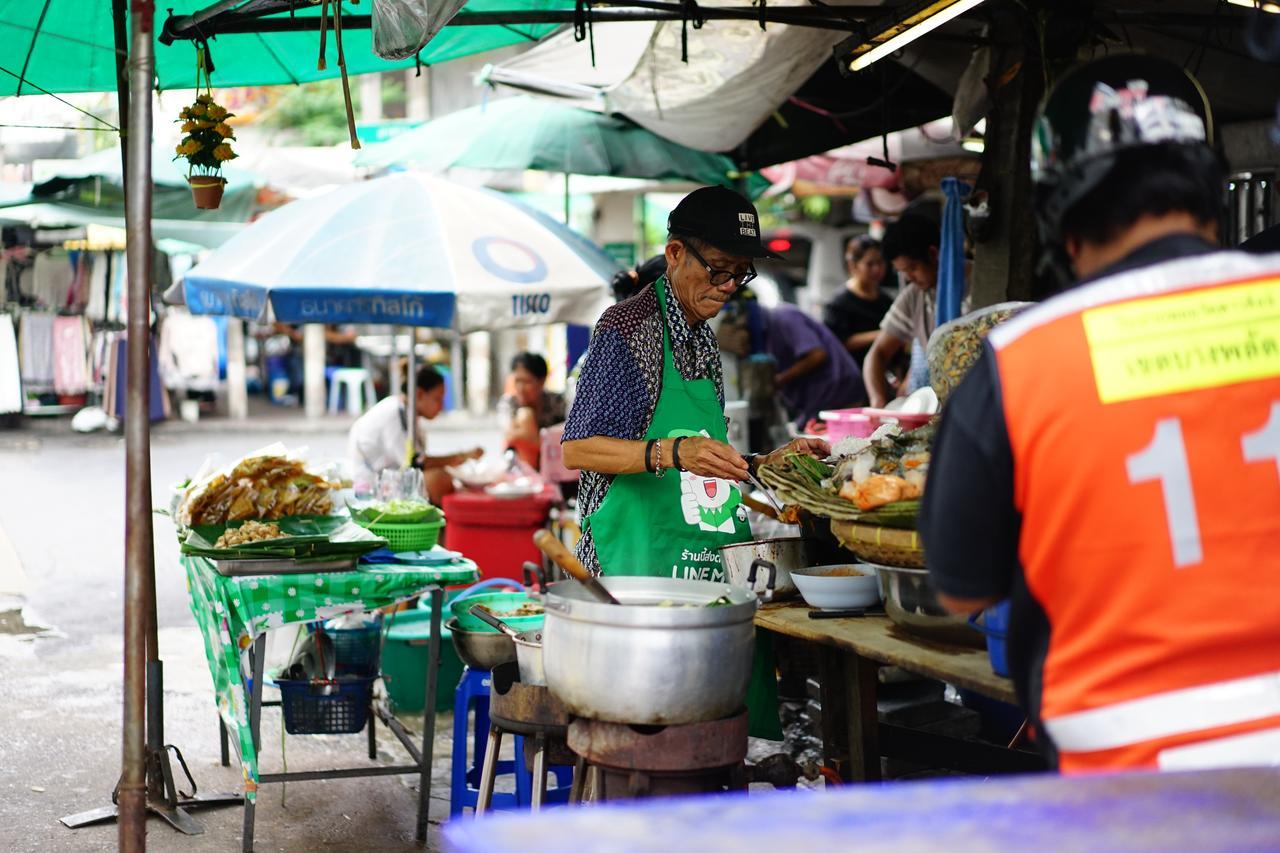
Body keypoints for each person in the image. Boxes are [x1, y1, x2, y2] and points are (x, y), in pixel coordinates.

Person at [919, 54, 1280, 774]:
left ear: (1062, 221)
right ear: (1210, 192)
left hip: (1129, 788)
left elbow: (961, 585)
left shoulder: (1019, 361)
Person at [562, 185, 828, 740]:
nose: (729, 287)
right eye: (719, 270)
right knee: (647, 738)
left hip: (702, 565)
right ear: (677, 253)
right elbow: (578, 449)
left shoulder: (704, 341)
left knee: (715, 738)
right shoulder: (625, 328)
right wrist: (671, 453)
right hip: (636, 572)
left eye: (741, 274)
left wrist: (767, 463)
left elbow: (708, 461)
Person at [861, 215, 964, 407]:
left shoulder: (974, 289)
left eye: (912, 268)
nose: (910, 278)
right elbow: (877, 354)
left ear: (933, 253)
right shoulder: (914, 295)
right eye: (903, 272)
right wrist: (878, 401)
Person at [347, 363, 482, 504]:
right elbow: (415, 463)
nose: (441, 406)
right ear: (419, 394)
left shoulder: (408, 414)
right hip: (371, 488)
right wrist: (462, 456)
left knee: (444, 477)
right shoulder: (395, 413)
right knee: (438, 480)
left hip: (391, 479)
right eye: (437, 399)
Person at [722, 299, 866, 430]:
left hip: (838, 392)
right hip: (817, 401)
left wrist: (780, 379)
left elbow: (817, 355)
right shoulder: (763, 337)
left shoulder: (785, 317)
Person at [822, 235, 893, 364]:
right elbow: (836, 342)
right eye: (870, 264)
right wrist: (882, 334)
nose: (877, 269)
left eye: (880, 262)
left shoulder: (885, 300)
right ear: (853, 265)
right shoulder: (838, 303)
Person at [499, 352, 567, 469]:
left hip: (556, 465)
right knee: (525, 415)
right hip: (522, 467)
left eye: (526, 381)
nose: (520, 388)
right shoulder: (509, 403)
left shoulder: (556, 402)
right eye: (517, 381)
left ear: (541, 381)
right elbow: (508, 435)